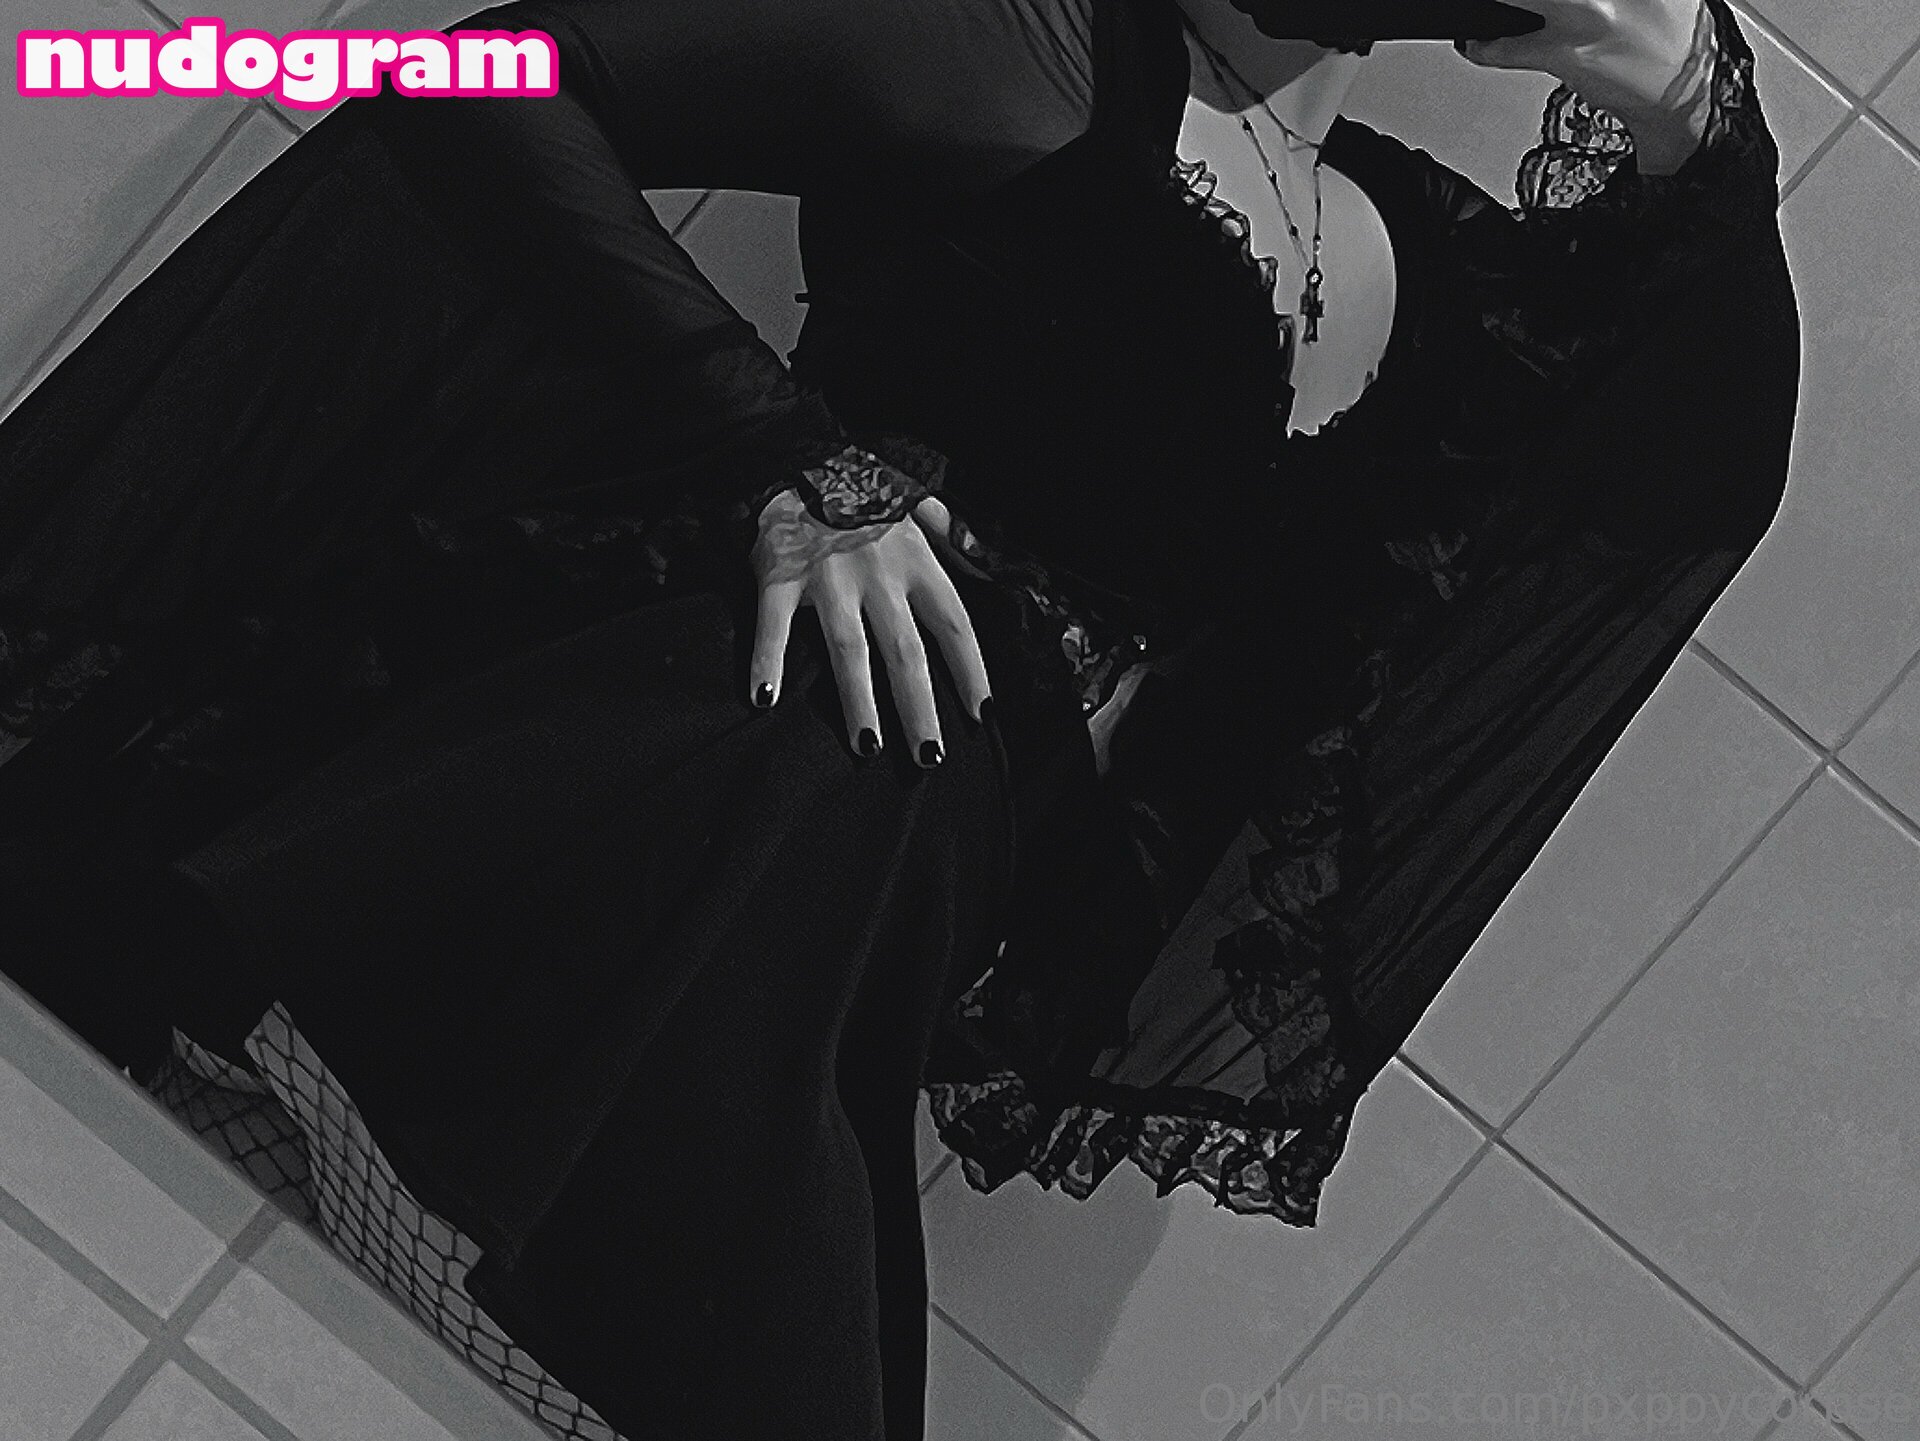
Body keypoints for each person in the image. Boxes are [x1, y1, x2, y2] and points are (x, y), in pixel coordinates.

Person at [0, 0, 1797, 1436]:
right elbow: (493, 79)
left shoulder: (1422, 258)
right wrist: (793, 455)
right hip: (720, 781)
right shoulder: (1035, 42)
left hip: (864, 909)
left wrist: (1688, 117)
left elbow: (1675, 484)